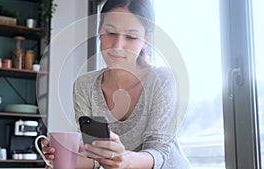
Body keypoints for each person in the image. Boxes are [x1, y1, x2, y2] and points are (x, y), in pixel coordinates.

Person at [41, 0, 190, 168]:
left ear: (145, 40)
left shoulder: (163, 79)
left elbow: (159, 151)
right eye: (111, 33)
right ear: (99, 32)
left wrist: (124, 160)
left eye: (131, 37)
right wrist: (61, 161)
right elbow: (96, 159)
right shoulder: (85, 85)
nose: (118, 46)